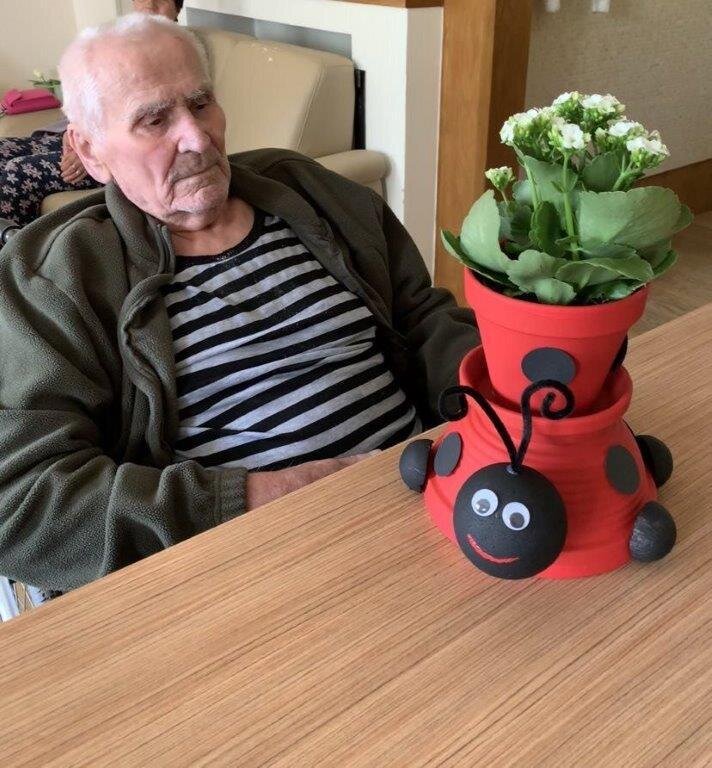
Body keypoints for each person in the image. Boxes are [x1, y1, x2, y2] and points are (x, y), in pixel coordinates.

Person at [0, 14, 478, 593]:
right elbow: (22, 503)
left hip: (438, 503)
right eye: (155, 120)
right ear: (91, 151)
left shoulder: (312, 193)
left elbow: (424, 318)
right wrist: (264, 494)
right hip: (255, 570)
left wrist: (496, 404)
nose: (197, 138)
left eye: (201, 104)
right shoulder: (56, 278)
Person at [0, 0, 183, 228]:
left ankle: (18, 248)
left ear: (177, 7)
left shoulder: (177, 52)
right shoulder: (122, 43)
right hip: (86, 134)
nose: (149, 3)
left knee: (17, 172)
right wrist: (75, 132)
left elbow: (148, 119)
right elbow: (94, 98)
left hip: (114, 150)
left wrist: (90, 147)